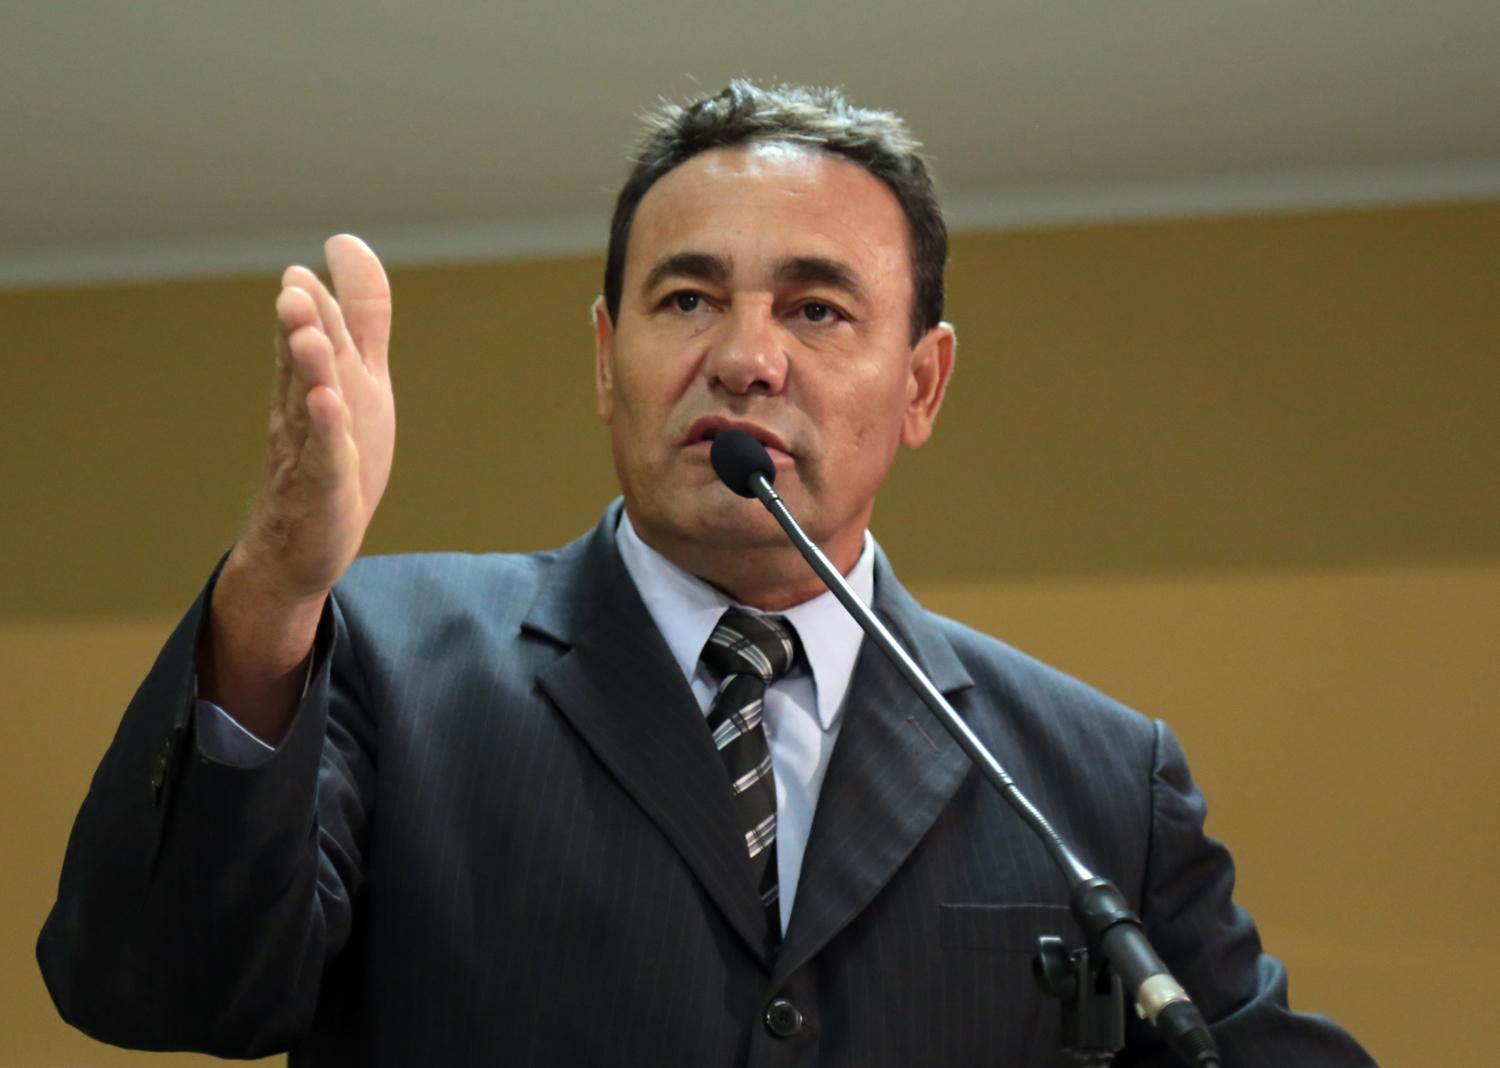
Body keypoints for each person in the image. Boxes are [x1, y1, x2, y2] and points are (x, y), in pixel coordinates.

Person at [38, 82, 1373, 1067]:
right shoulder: (383, 654)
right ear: (605, 359)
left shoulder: (1093, 776)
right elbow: (158, 990)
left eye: (816, 308)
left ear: (922, 385)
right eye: (687, 301)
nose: (744, 359)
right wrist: (275, 585)